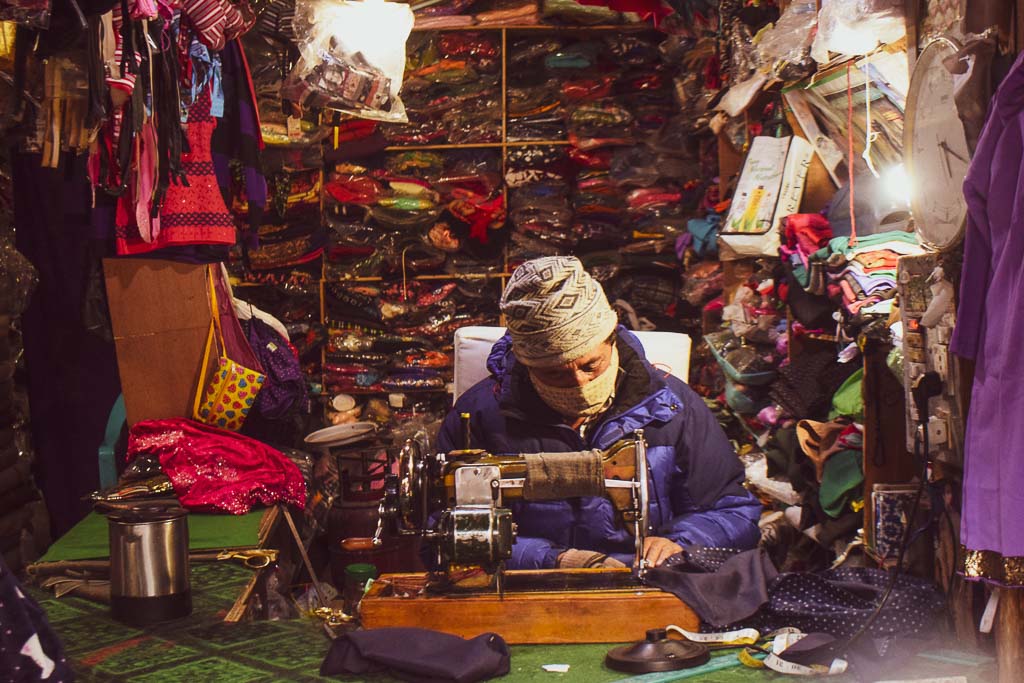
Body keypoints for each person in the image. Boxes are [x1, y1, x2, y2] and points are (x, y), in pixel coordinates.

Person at [437, 256, 762, 569]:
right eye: (555, 374)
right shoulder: (478, 417)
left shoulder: (671, 406)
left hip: (643, 580)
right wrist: (549, 559)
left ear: (612, 339)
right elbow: (442, 531)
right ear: (526, 363)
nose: (578, 383)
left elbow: (732, 510)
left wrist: (681, 541)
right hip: (530, 589)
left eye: (590, 365)